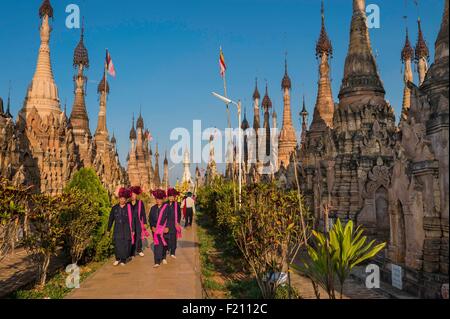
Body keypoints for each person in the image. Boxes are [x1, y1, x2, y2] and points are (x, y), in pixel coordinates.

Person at [107, 188, 135, 266]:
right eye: (121, 198)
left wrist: (133, 229)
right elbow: (111, 219)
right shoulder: (114, 208)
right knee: (117, 244)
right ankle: (117, 259)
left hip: (126, 229)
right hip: (117, 229)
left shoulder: (129, 208)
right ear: (119, 198)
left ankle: (123, 260)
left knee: (126, 244)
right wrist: (108, 229)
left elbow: (132, 220)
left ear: (125, 199)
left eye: (124, 199)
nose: (122, 200)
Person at [149, 189, 169, 268]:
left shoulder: (166, 208)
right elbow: (150, 219)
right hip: (155, 229)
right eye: (157, 199)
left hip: (164, 229)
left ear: (163, 199)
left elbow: (170, 218)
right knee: (157, 244)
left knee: (164, 244)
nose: (158, 200)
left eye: (160, 199)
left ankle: (163, 257)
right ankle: (157, 261)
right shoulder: (153, 208)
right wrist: (152, 227)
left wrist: (167, 227)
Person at [128, 186, 149, 257]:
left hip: (138, 222)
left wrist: (145, 223)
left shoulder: (140, 203)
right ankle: (131, 252)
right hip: (130, 223)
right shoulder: (128, 204)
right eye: (131, 194)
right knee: (131, 236)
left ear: (136, 195)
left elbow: (143, 213)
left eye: (134, 194)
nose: (133, 196)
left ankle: (139, 250)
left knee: (138, 236)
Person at [166, 188, 182, 259]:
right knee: (167, 238)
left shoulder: (176, 205)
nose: (171, 198)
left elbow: (179, 214)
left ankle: (173, 252)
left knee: (173, 239)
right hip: (166, 224)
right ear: (168, 197)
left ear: (174, 197)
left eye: (172, 196)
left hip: (174, 224)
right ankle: (167, 248)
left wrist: (178, 222)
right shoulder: (165, 204)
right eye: (170, 196)